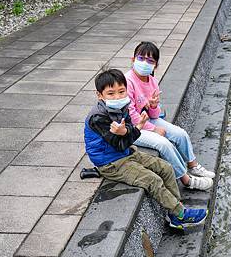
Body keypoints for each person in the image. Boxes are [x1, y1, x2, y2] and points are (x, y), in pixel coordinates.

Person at [84, 69, 208, 229]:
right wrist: (133, 130)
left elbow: (128, 132)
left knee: (166, 168)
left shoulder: (123, 106)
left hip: (126, 153)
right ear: (100, 95)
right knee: (152, 180)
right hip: (110, 162)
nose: (117, 96)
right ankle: (180, 214)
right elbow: (120, 143)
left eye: (121, 91)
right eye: (111, 93)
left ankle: (175, 212)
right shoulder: (98, 117)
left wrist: (133, 129)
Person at [125, 41, 215, 191]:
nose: (144, 63)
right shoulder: (128, 81)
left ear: (155, 65)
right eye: (141, 58)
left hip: (146, 119)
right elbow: (130, 114)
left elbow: (154, 113)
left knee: (180, 134)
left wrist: (153, 106)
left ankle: (193, 165)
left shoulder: (152, 80)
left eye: (150, 61)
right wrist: (153, 129)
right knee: (163, 144)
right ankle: (187, 180)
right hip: (132, 127)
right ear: (133, 59)